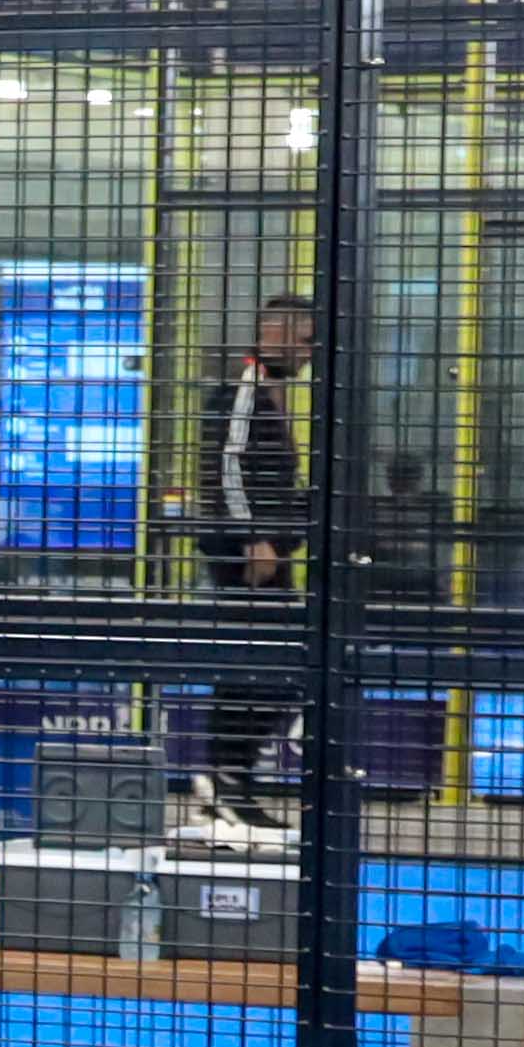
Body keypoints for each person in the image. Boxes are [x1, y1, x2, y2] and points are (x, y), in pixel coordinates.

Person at [188, 291, 317, 850]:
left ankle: (231, 780)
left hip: (270, 552)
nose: (310, 353)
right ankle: (224, 781)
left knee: (277, 668)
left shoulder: (271, 393)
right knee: (253, 666)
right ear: (276, 334)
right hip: (246, 555)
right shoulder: (242, 390)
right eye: (306, 340)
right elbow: (226, 467)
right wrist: (253, 538)